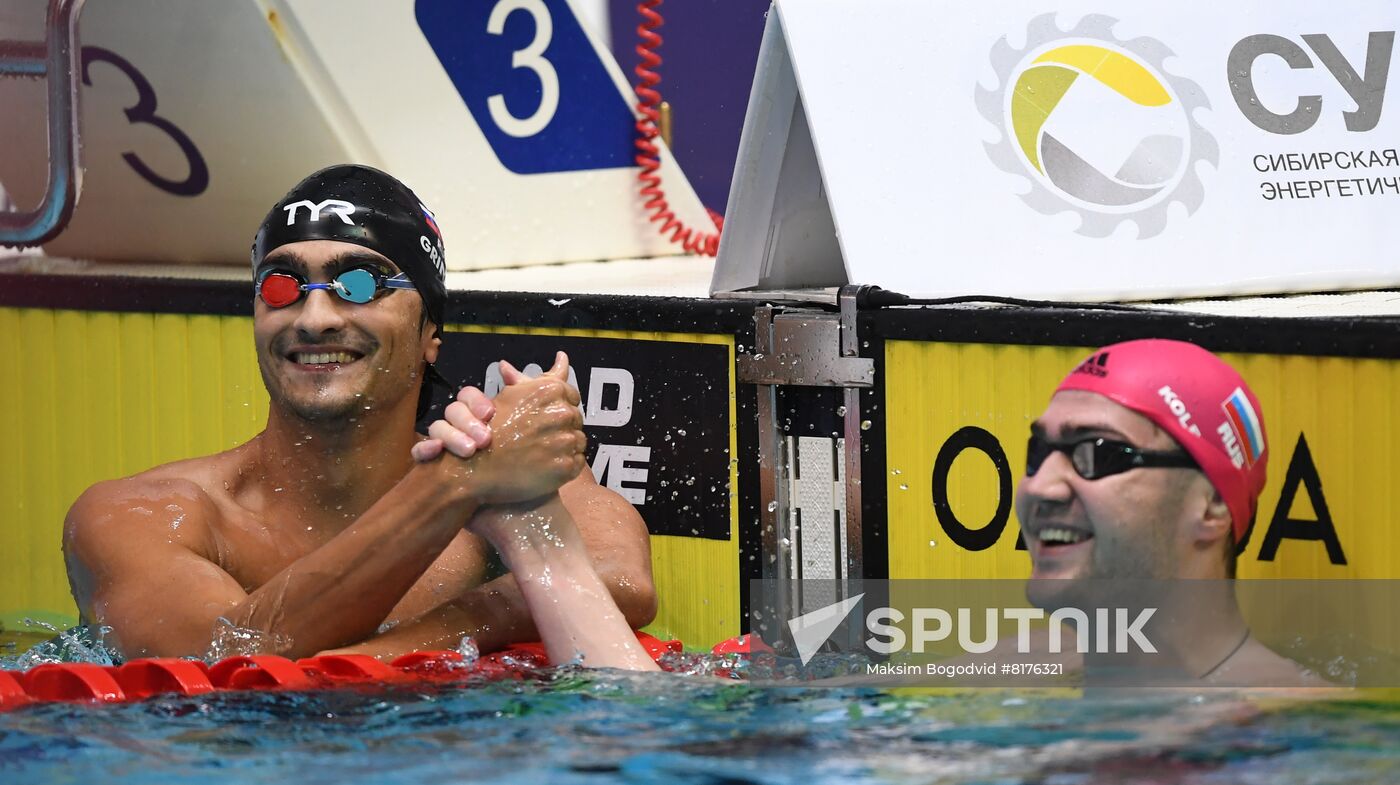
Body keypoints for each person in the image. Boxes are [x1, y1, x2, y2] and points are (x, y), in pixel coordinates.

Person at [62, 164, 659, 670]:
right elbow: (218, 659)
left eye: (358, 283)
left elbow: (619, 576)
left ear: (430, 333)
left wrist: (436, 632)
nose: (314, 316)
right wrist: (451, 486)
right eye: (281, 286)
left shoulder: (491, 467)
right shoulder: (138, 516)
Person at [1015, 338, 1328, 687]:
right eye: (1039, 451)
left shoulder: (1282, 723)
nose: (1039, 487)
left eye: (1100, 454)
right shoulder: (1012, 666)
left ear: (1212, 507)